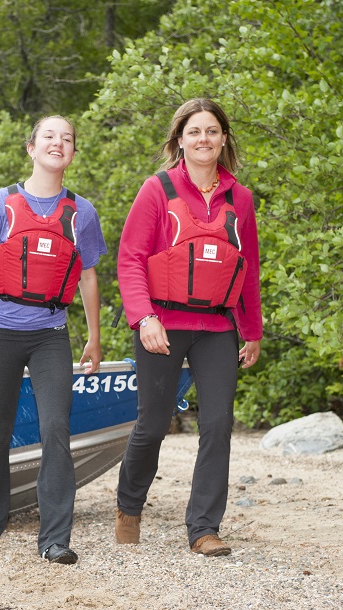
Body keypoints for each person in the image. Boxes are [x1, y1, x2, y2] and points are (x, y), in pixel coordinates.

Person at [115, 98, 263, 556]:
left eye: (212, 131)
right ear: (180, 139)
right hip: (163, 322)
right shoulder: (156, 190)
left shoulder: (240, 198)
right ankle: (129, 506)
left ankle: (203, 528)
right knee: (154, 424)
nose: (204, 139)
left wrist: (252, 328)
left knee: (217, 423)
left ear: (223, 139)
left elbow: (249, 267)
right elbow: (131, 259)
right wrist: (144, 318)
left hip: (217, 327)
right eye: (194, 131)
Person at [0, 115, 107, 565]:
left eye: (67, 139)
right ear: (31, 147)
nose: (57, 144)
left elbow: (87, 277)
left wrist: (95, 338)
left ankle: (55, 539)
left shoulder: (81, 212)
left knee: (55, 429)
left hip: (50, 334)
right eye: (49, 136)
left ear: (73, 153)